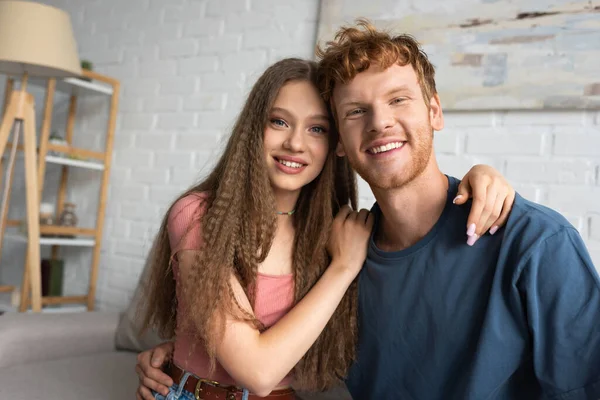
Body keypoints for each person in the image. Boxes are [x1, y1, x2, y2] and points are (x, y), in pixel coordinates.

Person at [136, 57, 516, 400]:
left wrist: (483, 175)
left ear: (337, 145)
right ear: (254, 129)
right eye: (279, 121)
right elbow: (259, 372)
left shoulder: (339, 229)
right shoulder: (200, 214)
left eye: (317, 129)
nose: (295, 143)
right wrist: (343, 268)